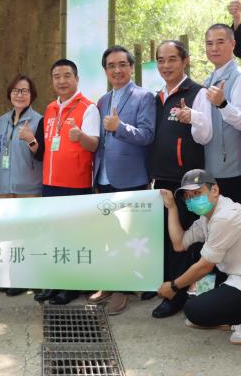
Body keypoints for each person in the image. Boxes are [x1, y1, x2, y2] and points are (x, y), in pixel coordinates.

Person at [157, 169, 241, 345]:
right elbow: (179, 244)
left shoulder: (225, 217)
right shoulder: (207, 216)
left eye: (197, 193)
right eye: (188, 197)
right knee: (197, 252)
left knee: (194, 311)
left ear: (215, 190)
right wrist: (172, 207)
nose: (193, 200)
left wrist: (173, 286)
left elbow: (205, 267)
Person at [89, 46, 155, 314]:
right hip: (103, 175)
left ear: (131, 66)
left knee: (131, 234)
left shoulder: (144, 97)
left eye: (122, 64)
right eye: (111, 66)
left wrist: (120, 128)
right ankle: (110, 280)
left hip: (131, 177)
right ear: (105, 70)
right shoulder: (103, 100)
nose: (116, 70)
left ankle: (124, 288)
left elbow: (147, 135)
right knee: (109, 232)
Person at [149, 40, 212, 318]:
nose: (166, 66)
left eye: (172, 59)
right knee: (168, 239)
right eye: (161, 60)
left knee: (193, 240)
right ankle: (173, 292)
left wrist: (193, 117)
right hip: (162, 179)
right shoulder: (159, 96)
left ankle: (197, 297)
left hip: (189, 182)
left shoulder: (197, 93)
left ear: (184, 61)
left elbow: (206, 135)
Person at [31, 59, 100, 305]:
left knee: (73, 237)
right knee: (54, 236)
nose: (62, 81)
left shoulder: (88, 108)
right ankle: (54, 282)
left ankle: (71, 287)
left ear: (76, 79)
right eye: (57, 76)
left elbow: (94, 144)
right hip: (50, 183)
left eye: (67, 76)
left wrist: (80, 136)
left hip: (75, 184)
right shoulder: (49, 109)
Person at [0, 74, 43, 297]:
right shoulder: (1, 121)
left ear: (32, 95)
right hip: (4, 185)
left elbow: (41, 154)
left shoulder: (39, 120)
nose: (19, 95)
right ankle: (9, 276)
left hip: (29, 186)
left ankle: (25, 278)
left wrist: (31, 139)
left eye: (24, 91)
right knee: (8, 233)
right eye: (15, 90)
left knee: (27, 234)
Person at [201, 24, 241, 203]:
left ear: (233, 44)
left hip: (230, 168)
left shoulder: (240, 76)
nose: (214, 48)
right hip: (210, 165)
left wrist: (222, 104)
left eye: (220, 42)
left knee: (228, 223)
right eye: (209, 43)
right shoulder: (209, 79)